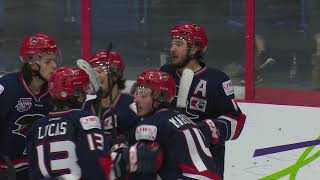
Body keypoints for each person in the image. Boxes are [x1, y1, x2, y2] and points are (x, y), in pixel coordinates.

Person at [160, 23, 247, 178]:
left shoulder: (216, 80)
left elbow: (236, 121)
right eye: (172, 43)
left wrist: (205, 130)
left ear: (195, 49)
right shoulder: (165, 74)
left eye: (179, 44)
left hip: (204, 167)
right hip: (171, 164)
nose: (172, 48)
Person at [126, 70, 221, 180]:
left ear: (160, 97)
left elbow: (142, 168)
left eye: (143, 94)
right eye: (136, 94)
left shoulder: (151, 124)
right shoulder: (187, 120)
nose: (136, 100)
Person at [26, 66, 112, 179]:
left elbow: (33, 172)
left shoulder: (36, 127)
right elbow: (97, 163)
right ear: (78, 93)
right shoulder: (85, 120)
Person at [0, 33, 60, 179]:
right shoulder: (6, 88)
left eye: (54, 60)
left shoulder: (56, 92)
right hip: (7, 171)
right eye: (48, 62)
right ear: (32, 64)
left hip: (41, 172)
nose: (54, 66)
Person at [85, 51, 139, 140]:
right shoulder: (86, 107)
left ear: (115, 75)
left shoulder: (132, 105)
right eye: (93, 73)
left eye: (100, 71)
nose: (95, 77)